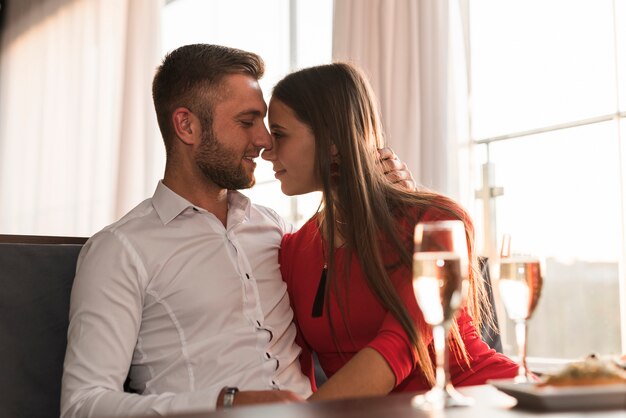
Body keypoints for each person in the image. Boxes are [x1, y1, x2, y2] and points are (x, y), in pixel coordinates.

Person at [61, 44, 414, 418]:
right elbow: (83, 404)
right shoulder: (120, 250)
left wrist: (394, 204)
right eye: (247, 123)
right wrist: (226, 401)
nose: (264, 141)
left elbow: (366, 298)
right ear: (187, 126)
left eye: (265, 124)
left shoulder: (280, 233)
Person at [261, 62, 519, 400]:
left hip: (480, 399)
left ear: (332, 139)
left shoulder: (436, 222)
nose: (267, 150)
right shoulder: (292, 251)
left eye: (279, 134)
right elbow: (294, 370)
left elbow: (398, 347)